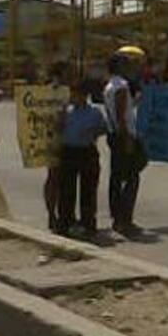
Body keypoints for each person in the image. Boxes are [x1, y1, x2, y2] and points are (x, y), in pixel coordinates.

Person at [56, 79, 106, 237]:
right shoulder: (67, 111)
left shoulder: (94, 112)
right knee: (67, 189)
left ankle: (88, 223)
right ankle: (65, 222)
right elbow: (57, 129)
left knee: (88, 189)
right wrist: (60, 119)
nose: (75, 97)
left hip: (87, 150)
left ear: (85, 95)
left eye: (78, 94)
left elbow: (103, 128)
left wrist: (93, 131)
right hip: (69, 151)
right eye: (73, 94)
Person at [104, 54, 145, 236]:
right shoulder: (121, 86)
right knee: (131, 177)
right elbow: (121, 115)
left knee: (117, 177)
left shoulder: (109, 86)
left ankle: (117, 217)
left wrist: (135, 101)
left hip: (114, 134)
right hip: (124, 135)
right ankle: (124, 218)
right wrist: (127, 138)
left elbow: (122, 109)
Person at [41, 62, 69, 232]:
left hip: (69, 139)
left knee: (62, 179)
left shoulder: (68, 90)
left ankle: (61, 214)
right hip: (52, 138)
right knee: (54, 177)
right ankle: (52, 214)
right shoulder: (49, 91)